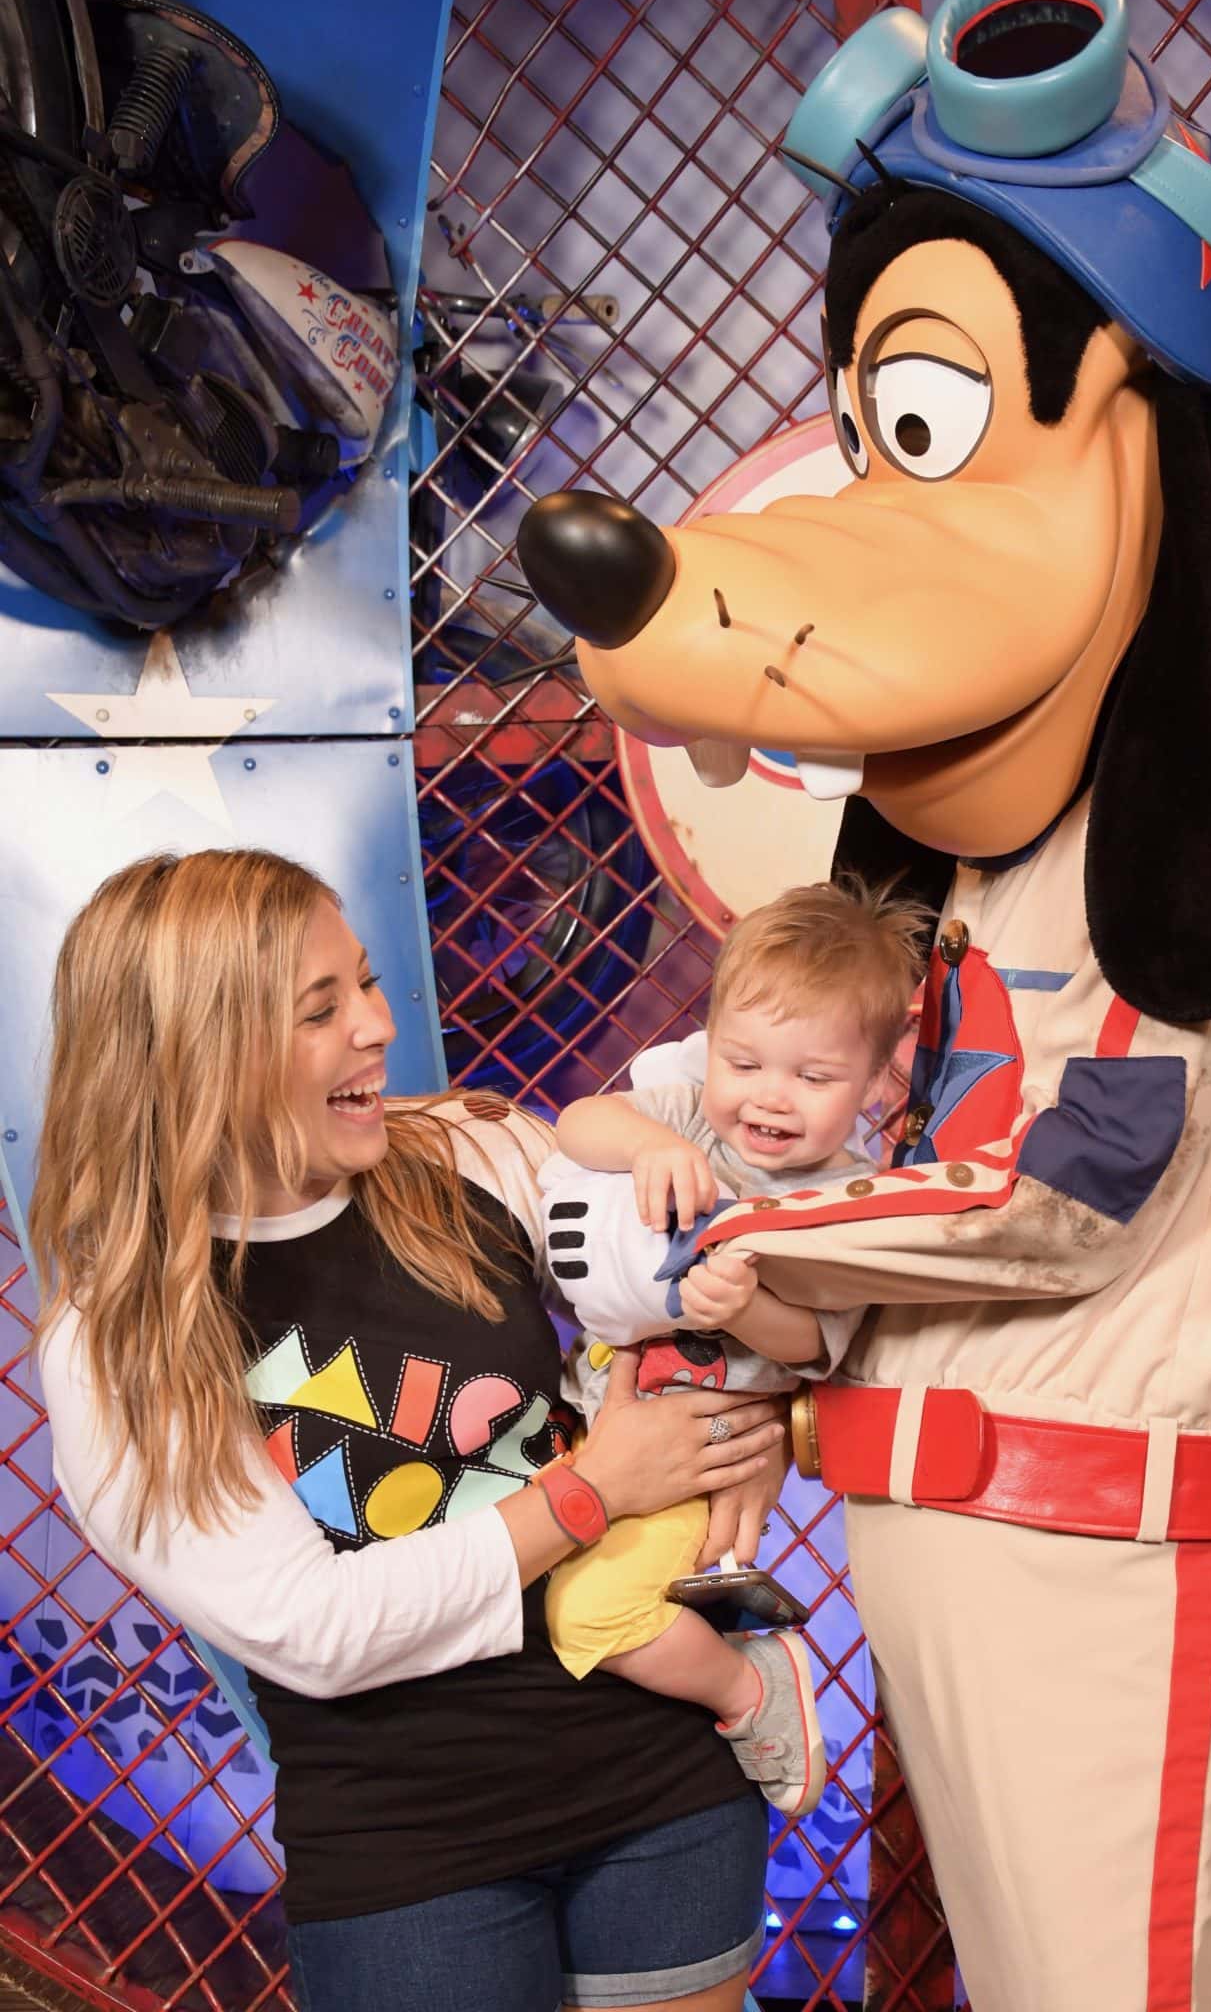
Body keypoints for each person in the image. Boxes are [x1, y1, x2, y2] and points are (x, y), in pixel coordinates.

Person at [30, 848, 792, 2012]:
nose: (379, 1030)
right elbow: (314, 1629)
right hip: (411, 1853)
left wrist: (759, 1403)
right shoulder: (119, 1339)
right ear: (202, 1050)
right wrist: (587, 1496)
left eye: (369, 986)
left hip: (665, 1793)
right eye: (321, 1010)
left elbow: (694, 1281)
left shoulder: (471, 1152)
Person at [540, 880, 929, 1819]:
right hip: (592, 1420)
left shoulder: (848, 1203)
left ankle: (751, 1690)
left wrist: (749, 1308)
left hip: (698, 1458)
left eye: (813, 1077)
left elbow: (817, 1348)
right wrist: (644, 1146)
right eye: (744, 1062)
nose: (769, 1098)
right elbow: (577, 1121)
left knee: (587, 1614)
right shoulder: (693, 1118)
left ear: (877, 1081)